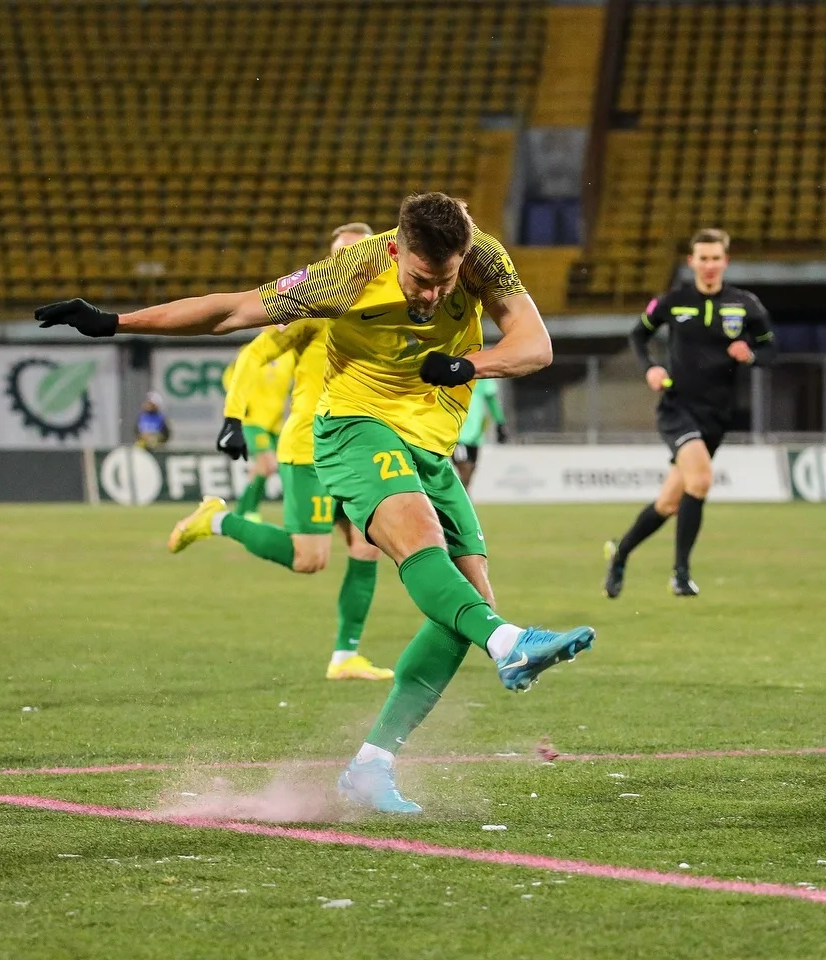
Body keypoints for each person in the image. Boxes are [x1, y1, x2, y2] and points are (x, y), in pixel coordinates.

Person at [36, 193, 595, 812]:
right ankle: (510, 643)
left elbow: (535, 346)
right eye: (421, 280)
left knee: (464, 607)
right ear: (397, 250)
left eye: (445, 280)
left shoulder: (483, 256)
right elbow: (233, 311)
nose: (433, 295)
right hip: (354, 426)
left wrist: (466, 366)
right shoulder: (347, 274)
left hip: (429, 444)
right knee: (413, 546)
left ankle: (371, 765)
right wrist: (116, 322)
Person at [161, 222, 392, 681]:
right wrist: (233, 417)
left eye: (356, 252)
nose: (346, 262)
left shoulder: (388, 309)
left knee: (368, 547)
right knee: (310, 559)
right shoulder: (314, 310)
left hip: (357, 448)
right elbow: (252, 355)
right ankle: (217, 519)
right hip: (311, 448)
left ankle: (345, 657)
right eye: (338, 255)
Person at [602, 228, 775, 598]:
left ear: (725, 261)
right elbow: (638, 334)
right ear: (691, 262)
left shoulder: (745, 304)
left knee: (668, 502)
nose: (709, 265)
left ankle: (620, 553)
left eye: (716, 258)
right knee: (701, 480)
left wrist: (752, 355)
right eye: (703, 258)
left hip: (717, 415)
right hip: (677, 407)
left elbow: (770, 348)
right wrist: (650, 367)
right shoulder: (673, 301)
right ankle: (680, 575)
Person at [222, 342, 294, 522]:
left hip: (276, 423)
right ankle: (249, 511)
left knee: (266, 469)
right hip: (254, 420)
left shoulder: (290, 354)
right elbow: (230, 377)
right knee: (268, 464)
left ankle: (240, 512)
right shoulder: (251, 350)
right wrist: (240, 402)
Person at [453, 376, 506, 488]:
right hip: (456, 431)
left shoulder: (482, 373)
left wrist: (500, 423)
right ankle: (461, 495)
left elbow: (491, 399)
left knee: (471, 467)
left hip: (476, 432)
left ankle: (463, 494)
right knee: (464, 466)